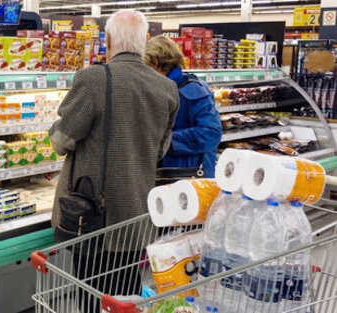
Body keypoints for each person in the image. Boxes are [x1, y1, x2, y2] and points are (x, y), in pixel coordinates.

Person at [49, 10, 179, 312]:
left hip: (93, 217)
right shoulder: (167, 88)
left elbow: (61, 142)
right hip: (137, 213)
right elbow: (161, 149)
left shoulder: (93, 79)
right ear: (145, 42)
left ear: (107, 40)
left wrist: (53, 128)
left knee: (93, 295)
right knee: (126, 293)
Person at [144, 36, 222, 178]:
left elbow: (212, 132)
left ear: (156, 63)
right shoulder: (165, 88)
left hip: (189, 176)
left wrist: (167, 142)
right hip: (171, 173)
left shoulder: (191, 90)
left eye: (147, 66)